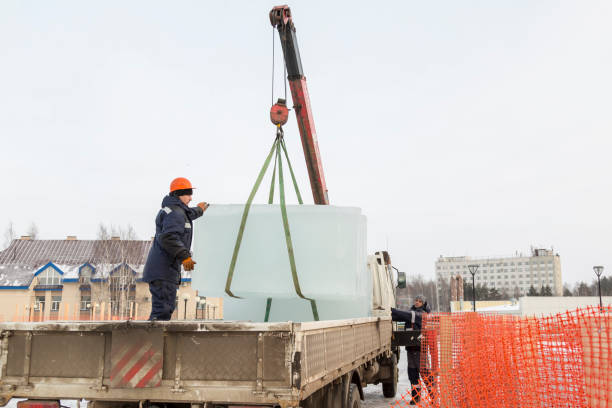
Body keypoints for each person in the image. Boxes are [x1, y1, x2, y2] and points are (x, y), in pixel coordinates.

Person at [143, 177, 209, 321]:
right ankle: (153, 341)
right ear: (180, 194)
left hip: (163, 269)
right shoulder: (175, 213)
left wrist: (199, 209)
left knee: (165, 309)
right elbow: (169, 237)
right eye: (188, 194)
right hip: (163, 270)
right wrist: (185, 256)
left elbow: (187, 214)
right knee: (162, 311)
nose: (191, 198)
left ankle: (155, 340)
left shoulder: (174, 209)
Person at [391, 294, 431, 405]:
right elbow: (402, 317)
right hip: (410, 350)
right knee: (413, 375)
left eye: (419, 301)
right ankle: (416, 397)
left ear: (423, 303)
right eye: (416, 300)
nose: (417, 302)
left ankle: (434, 396)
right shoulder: (411, 313)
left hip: (420, 351)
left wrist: (393, 311)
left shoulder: (422, 314)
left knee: (425, 374)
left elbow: (408, 315)